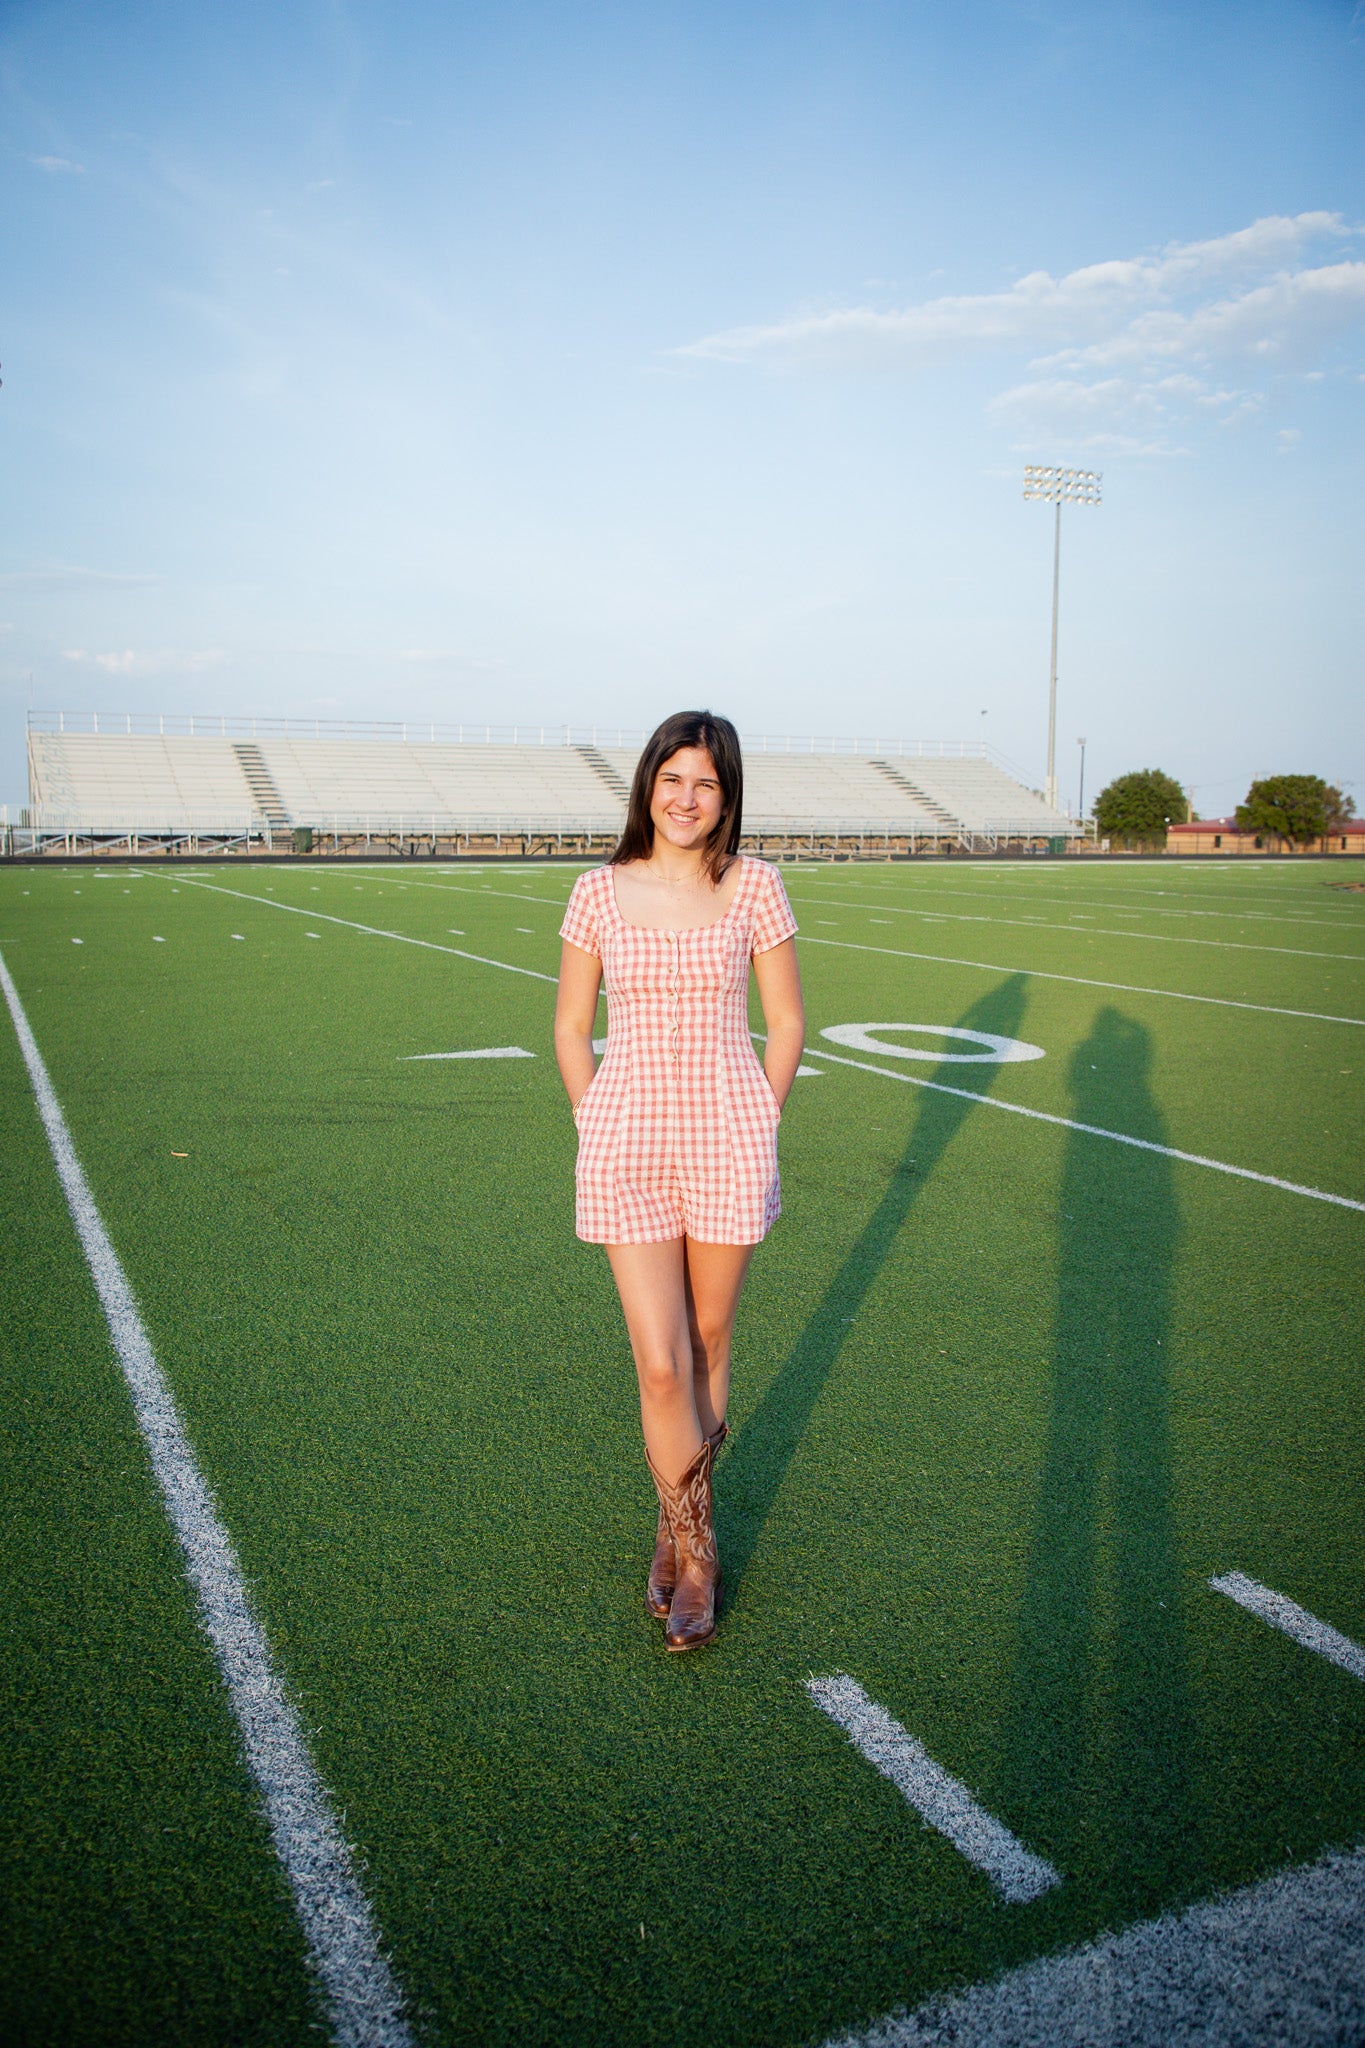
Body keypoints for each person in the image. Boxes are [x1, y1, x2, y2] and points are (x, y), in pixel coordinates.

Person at [554, 710, 805, 1651]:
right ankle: (698, 1550)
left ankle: (675, 1527)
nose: (686, 798)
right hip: (625, 1141)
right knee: (659, 1360)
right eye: (671, 779)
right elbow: (571, 1028)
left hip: (727, 1135)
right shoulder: (596, 891)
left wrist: (759, 1116)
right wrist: (596, 1118)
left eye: (705, 783)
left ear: (726, 795)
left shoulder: (755, 887)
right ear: (647, 786)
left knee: (707, 1340)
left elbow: (784, 1022)